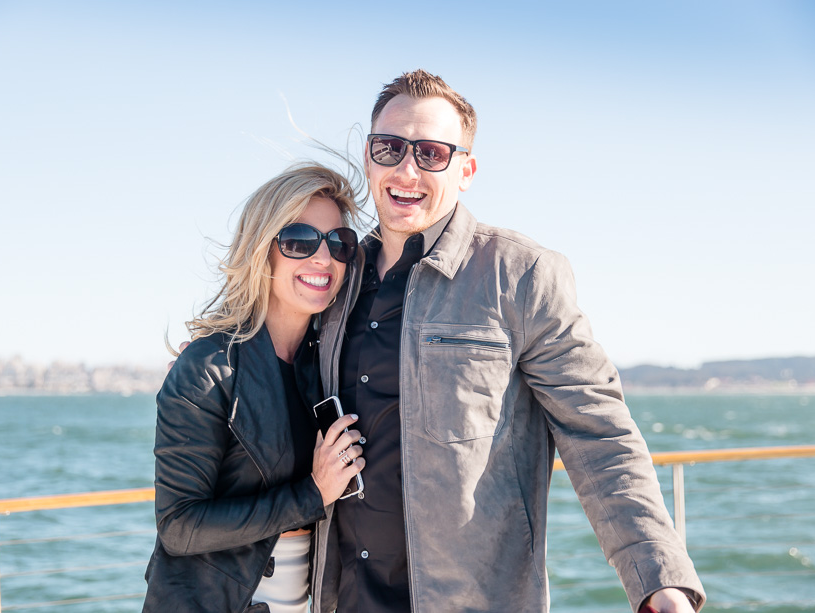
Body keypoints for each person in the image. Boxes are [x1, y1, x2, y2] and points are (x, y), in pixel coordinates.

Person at [309, 70, 707, 613]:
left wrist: (659, 580)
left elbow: (600, 436)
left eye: (431, 153)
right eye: (391, 147)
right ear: (368, 155)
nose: (407, 169)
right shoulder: (333, 276)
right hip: (343, 601)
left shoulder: (520, 275)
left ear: (465, 170)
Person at [143, 163, 368, 613]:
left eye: (339, 244)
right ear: (263, 249)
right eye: (299, 241)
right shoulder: (207, 367)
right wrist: (312, 494)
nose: (323, 259)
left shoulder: (327, 365)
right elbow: (179, 526)